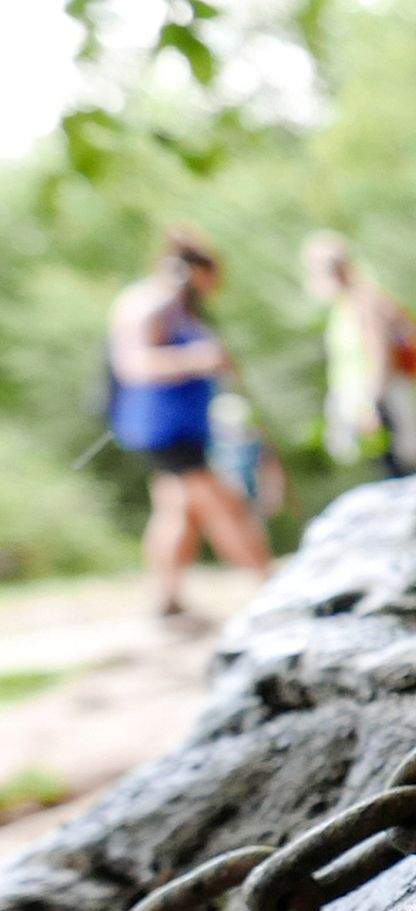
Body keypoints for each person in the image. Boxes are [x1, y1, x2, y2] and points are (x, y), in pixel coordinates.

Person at [107, 227, 273, 619]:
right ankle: (269, 585)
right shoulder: (151, 304)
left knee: (177, 510)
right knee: (225, 505)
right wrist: (200, 358)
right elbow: (134, 365)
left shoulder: (179, 307)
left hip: (183, 425)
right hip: (163, 427)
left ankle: (166, 597)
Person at [302, 231, 416, 478]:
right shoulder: (345, 306)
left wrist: (371, 405)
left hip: (380, 403)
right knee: (389, 471)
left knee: (399, 471)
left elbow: (379, 354)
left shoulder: (364, 302)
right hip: (367, 403)